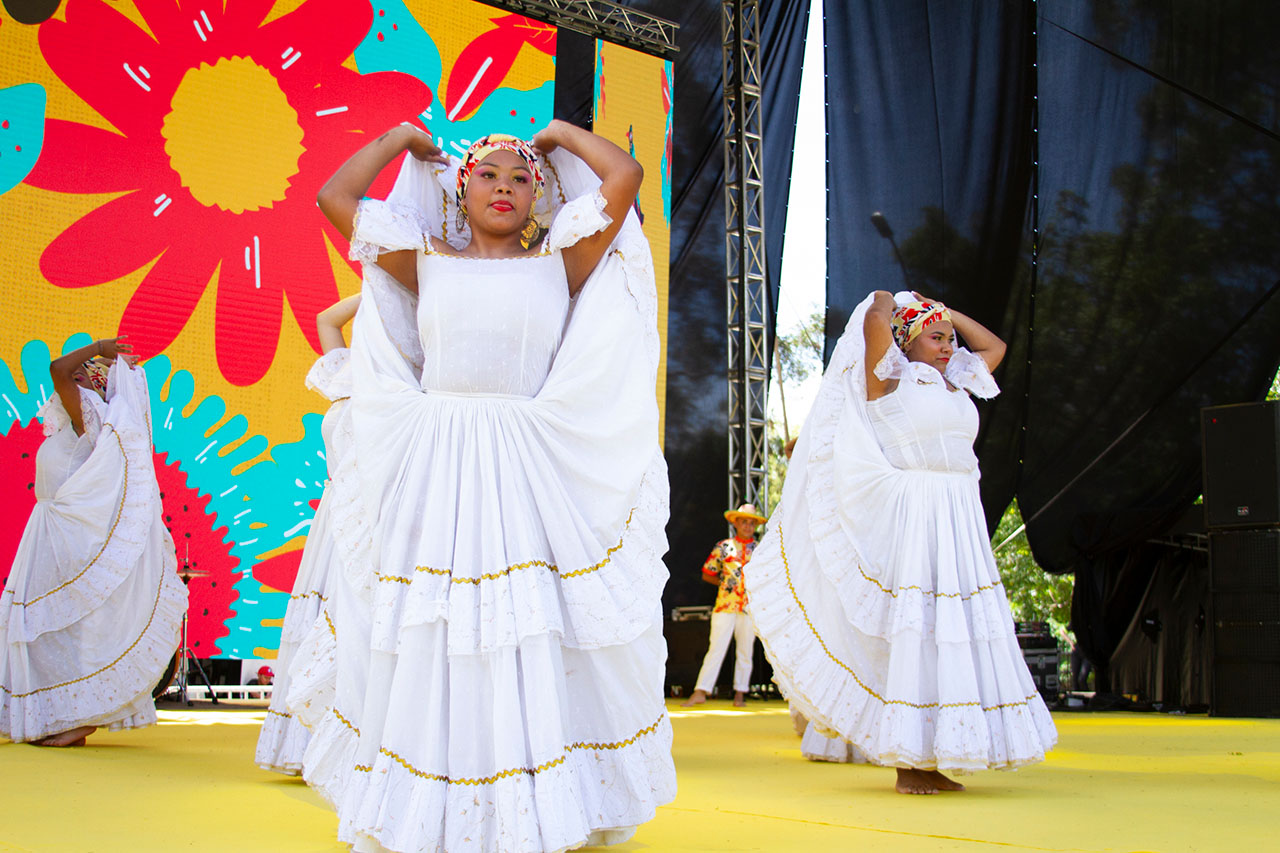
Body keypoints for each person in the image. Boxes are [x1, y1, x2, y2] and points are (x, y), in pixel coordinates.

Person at [299, 119, 674, 852]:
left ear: (539, 195)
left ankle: (530, 808)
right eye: (489, 175)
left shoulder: (562, 261)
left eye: (521, 177)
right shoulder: (424, 261)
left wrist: (561, 134)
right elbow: (334, 198)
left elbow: (625, 179)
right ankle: (429, 810)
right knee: (437, 630)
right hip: (437, 463)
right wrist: (401, 140)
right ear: (460, 189)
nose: (505, 186)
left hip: (526, 466)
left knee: (522, 628)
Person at [746, 291, 1057, 795]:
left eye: (949, 339)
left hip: (957, 513)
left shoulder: (955, 380)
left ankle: (936, 755)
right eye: (935, 338)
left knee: (950, 631)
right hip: (916, 516)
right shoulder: (888, 380)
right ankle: (909, 763)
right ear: (906, 342)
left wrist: (946, 313)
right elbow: (875, 318)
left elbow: (996, 348)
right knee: (917, 631)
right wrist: (890, 299)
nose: (947, 345)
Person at [0, 337, 187, 747]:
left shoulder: (88, 415)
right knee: (55, 630)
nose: (76, 377)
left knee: (64, 628)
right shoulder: (79, 421)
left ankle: (77, 719)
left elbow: (57, 368)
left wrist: (99, 346)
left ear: (97, 388)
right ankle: (58, 716)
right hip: (53, 529)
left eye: (85, 375)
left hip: (65, 533)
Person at [256, 295, 360, 776]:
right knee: (323, 621)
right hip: (334, 518)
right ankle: (306, 745)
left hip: (373, 519)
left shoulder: (414, 378)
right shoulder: (350, 371)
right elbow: (325, 318)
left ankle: (351, 747)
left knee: (354, 624)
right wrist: (381, 281)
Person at [681, 503, 767, 708]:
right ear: (736, 523)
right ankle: (701, 691)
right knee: (716, 648)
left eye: (751, 523)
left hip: (749, 607)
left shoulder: (761, 550)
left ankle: (740, 693)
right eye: (744, 522)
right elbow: (708, 573)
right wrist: (725, 584)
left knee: (746, 651)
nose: (747, 526)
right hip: (725, 605)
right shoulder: (724, 546)